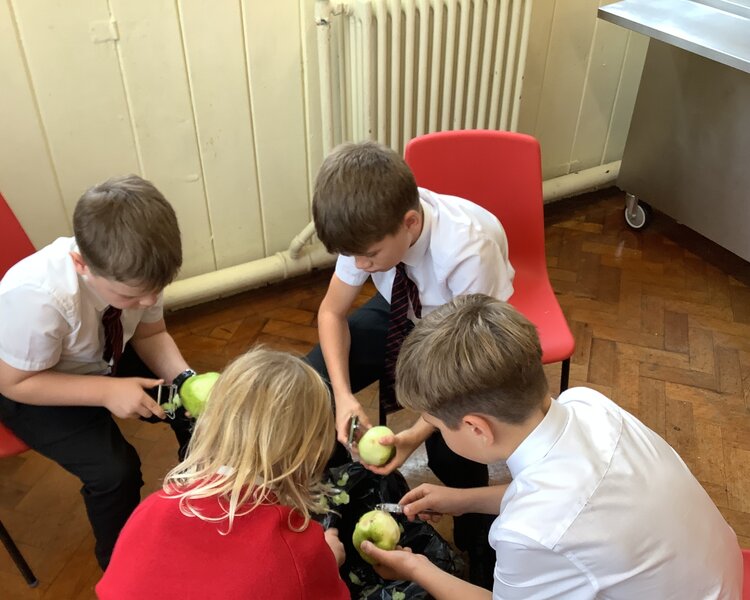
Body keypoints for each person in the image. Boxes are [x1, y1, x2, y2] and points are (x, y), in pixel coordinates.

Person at [361, 294, 743, 599]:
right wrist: (461, 499)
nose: (438, 432)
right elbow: (571, 500)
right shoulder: (587, 403)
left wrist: (416, 569)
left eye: (438, 425)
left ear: (477, 428)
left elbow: (552, 519)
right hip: (718, 575)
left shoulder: (529, 532)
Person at [306, 140, 515, 587]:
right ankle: (328, 513)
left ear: (410, 223)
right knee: (312, 383)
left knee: (453, 444)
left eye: (369, 257)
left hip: (466, 331)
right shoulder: (366, 229)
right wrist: (343, 398)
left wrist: (418, 433)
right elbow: (331, 312)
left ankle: (479, 542)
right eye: (353, 257)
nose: (360, 266)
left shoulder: (466, 252)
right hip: (404, 311)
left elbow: (470, 363)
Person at [0, 175, 197, 569]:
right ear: (80, 264)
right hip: (31, 383)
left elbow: (151, 332)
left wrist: (185, 379)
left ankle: (199, 486)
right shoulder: (36, 298)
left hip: (101, 354)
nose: (148, 301)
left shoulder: (139, 277)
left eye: (157, 290)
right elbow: (14, 382)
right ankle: (119, 563)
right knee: (115, 471)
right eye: (131, 296)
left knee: (193, 409)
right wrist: (106, 392)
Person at [96, 348, 350, 599]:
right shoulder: (300, 548)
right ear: (312, 450)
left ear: (209, 423)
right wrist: (328, 563)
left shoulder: (153, 507)